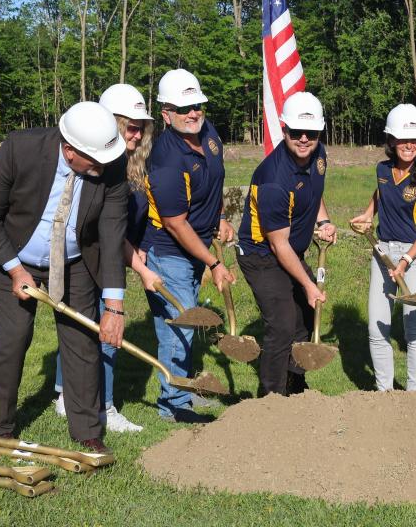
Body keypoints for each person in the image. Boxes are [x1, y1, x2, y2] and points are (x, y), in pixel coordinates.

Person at [0, 101, 127, 453]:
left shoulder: (112, 165)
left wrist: (114, 306)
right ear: (69, 151)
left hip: (75, 261)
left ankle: (88, 431)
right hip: (14, 254)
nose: (103, 166)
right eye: (95, 161)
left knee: (83, 342)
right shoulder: (20, 149)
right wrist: (15, 270)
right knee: (13, 339)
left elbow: (112, 232)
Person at [52, 84, 161, 433]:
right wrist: (141, 268)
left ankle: (66, 395)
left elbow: (129, 222)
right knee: (105, 329)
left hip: (116, 255)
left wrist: (139, 245)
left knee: (85, 328)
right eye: (130, 126)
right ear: (111, 124)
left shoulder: (135, 165)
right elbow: (106, 233)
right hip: (95, 260)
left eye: (141, 127)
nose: (137, 133)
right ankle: (103, 407)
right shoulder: (100, 168)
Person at [141, 69, 233, 423]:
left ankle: (182, 394)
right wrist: (213, 262)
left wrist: (220, 217)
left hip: (195, 245)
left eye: (197, 106)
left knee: (184, 325)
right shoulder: (165, 159)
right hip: (169, 252)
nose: (193, 113)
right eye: (183, 109)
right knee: (179, 328)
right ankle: (174, 405)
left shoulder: (209, 134)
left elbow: (215, 182)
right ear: (166, 114)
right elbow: (175, 223)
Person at [237, 91, 336, 396]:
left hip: (290, 250)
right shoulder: (274, 180)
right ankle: (271, 401)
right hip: (261, 255)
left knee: (304, 318)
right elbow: (278, 246)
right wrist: (308, 284)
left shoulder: (317, 155)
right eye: (296, 132)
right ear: (284, 130)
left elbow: (313, 191)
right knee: (282, 324)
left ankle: (295, 385)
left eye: (312, 133)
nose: (304, 138)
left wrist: (323, 221)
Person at [349, 104, 416, 391]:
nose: (409, 145)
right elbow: (381, 193)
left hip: (414, 257)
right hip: (382, 253)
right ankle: (385, 395)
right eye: (403, 139)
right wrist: (368, 214)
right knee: (377, 327)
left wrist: (404, 260)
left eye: (414, 139)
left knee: (414, 328)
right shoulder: (382, 170)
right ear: (391, 141)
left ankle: (413, 396)